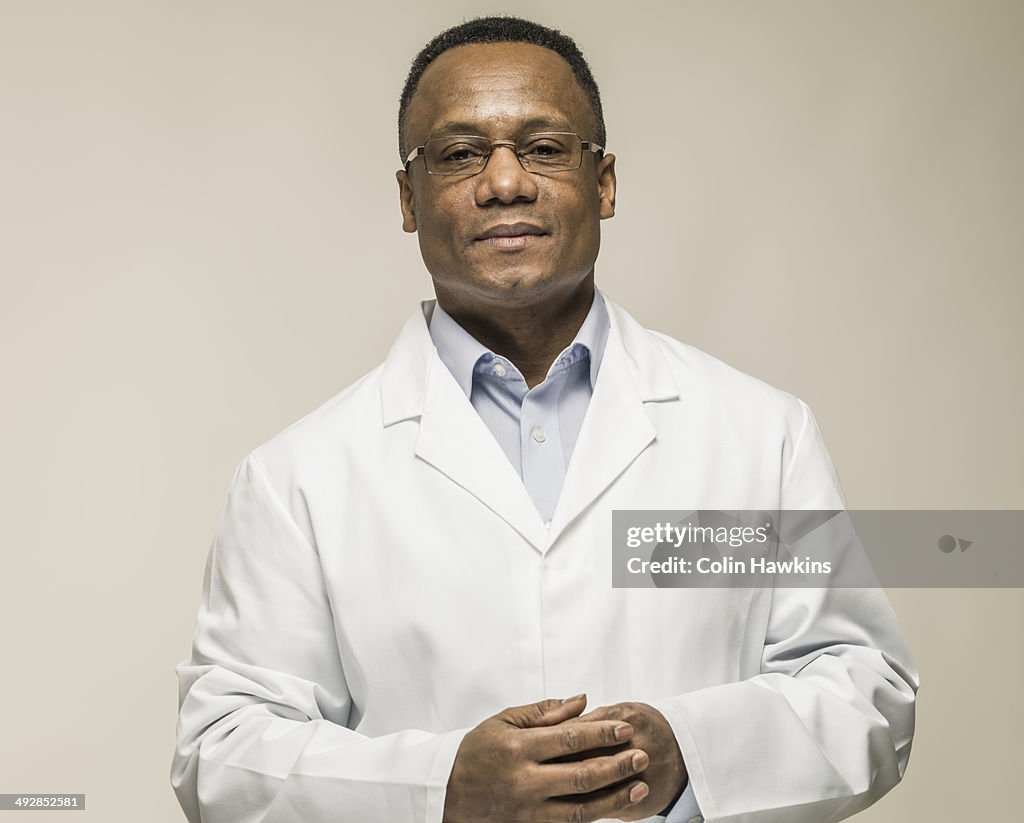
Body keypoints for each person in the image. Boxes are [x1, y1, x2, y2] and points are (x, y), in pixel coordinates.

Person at [171, 16, 917, 823]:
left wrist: (691, 753)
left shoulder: (761, 435)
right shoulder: (297, 479)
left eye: (546, 147)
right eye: (459, 155)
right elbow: (223, 749)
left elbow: (864, 688)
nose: (505, 183)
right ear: (407, 198)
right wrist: (441, 785)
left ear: (605, 183)